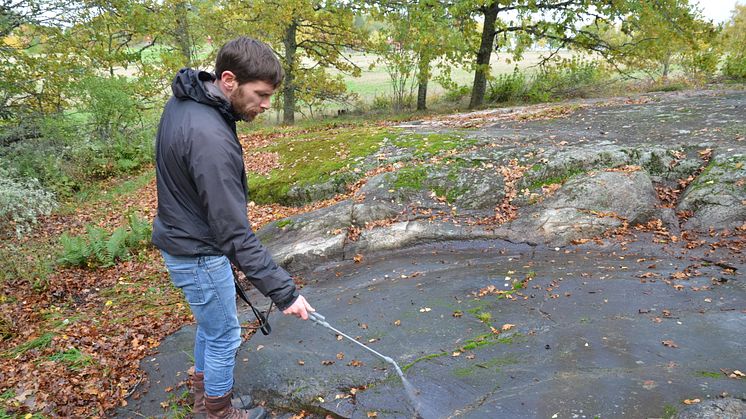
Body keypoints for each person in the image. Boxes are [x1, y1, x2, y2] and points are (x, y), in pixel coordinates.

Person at [152, 36, 314, 419]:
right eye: (260, 94)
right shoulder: (209, 136)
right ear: (228, 80)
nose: (266, 104)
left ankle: (205, 397)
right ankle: (218, 413)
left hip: (185, 238)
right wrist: (285, 294)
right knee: (224, 334)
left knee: (212, 327)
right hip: (198, 252)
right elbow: (234, 234)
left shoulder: (188, 101)